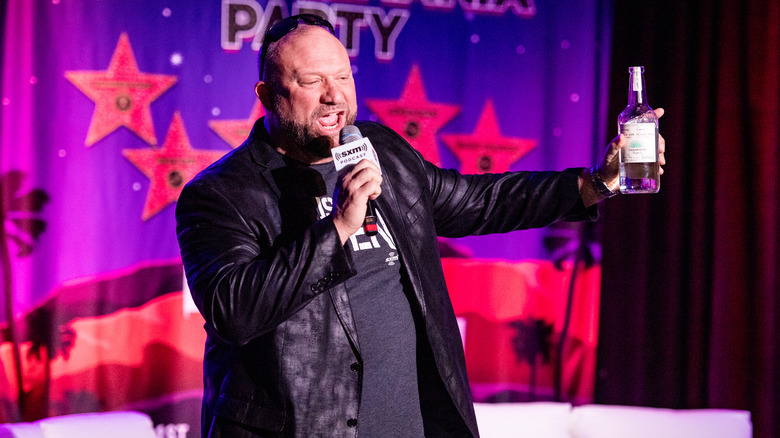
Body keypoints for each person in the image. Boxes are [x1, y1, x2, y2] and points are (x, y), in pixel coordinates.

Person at [176, 14, 665, 438]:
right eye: (311, 82)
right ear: (267, 94)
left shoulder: (380, 148)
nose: (334, 96)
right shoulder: (219, 194)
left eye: (343, 78)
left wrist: (596, 183)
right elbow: (233, 309)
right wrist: (338, 227)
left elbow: (477, 201)